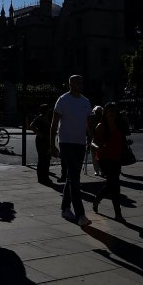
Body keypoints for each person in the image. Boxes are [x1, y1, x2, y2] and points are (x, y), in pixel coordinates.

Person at [50, 75, 93, 227]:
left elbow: (89, 123)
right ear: (71, 84)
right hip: (66, 143)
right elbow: (54, 123)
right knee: (75, 179)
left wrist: (92, 139)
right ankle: (80, 214)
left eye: (82, 82)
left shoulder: (86, 101)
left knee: (72, 176)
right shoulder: (63, 100)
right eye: (78, 82)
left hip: (80, 143)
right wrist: (52, 144)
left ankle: (65, 208)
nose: (81, 84)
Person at [91, 103, 126, 222]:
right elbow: (92, 142)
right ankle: (118, 214)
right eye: (110, 111)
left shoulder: (119, 125)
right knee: (115, 184)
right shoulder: (101, 126)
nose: (112, 113)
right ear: (105, 112)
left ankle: (97, 198)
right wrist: (99, 145)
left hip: (116, 158)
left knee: (112, 184)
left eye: (114, 111)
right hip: (104, 159)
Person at [29, 104, 54, 184]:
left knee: (47, 159)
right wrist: (39, 134)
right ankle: (42, 177)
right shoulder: (40, 118)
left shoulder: (48, 118)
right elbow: (31, 126)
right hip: (41, 140)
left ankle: (45, 177)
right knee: (42, 159)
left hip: (47, 140)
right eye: (48, 110)